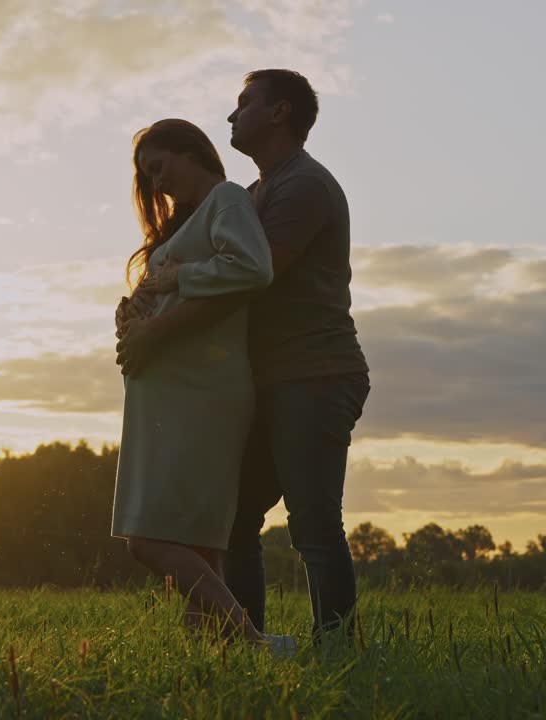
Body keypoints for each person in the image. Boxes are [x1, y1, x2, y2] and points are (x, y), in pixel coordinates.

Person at [118, 70, 370, 641]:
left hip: (315, 372)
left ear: (279, 113)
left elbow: (252, 279)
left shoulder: (301, 185)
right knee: (235, 522)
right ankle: (250, 643)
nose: (232, 117)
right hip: (270, 378)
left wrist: (164, 317)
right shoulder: (256, 192)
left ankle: (337, 649)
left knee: (313, 526)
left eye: (243, 104)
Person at [109, 118, 282, 648]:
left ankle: (255, 640)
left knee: (149, 539)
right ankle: (214, 655)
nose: (157, 183)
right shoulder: (185, 224)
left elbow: (253, 267)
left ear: (192, 151)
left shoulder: (226, 199)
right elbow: (169, 288)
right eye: (148, 176)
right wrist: (133, 313)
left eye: (160, 166)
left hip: (200, 392)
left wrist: (176, 279)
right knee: (197, 539)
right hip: (169, 392)